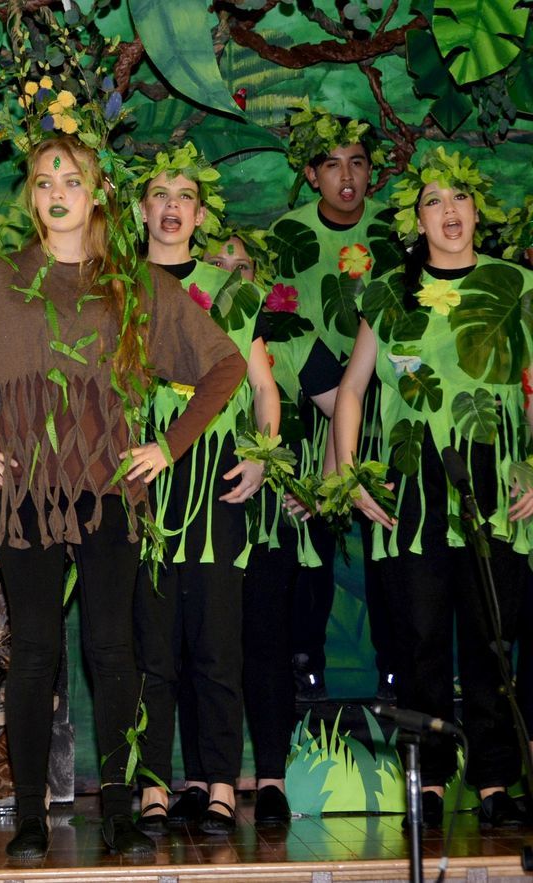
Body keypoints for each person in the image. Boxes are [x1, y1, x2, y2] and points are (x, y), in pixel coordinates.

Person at [0, 132, 245, 860]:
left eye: (72, 179)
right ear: (32, 196)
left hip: (110, 496)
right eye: (43, 180)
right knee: (35, 654)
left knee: (113, 652)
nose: (57, 192)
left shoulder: (132, 283)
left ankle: (119, 812)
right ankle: (30, 815)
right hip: (27, 498)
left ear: (96, 194)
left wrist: (167, 445)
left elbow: (224, 365)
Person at [331, 146, 533, 830]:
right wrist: (353, 470)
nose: (450, 211)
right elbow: (353, 390)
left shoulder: (517, 284)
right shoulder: (388, 292)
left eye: (460, 198)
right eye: (434, 201)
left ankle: (498, 778)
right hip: (412, 489)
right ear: (415, 221)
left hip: (498, 486)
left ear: (479, 209)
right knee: (417, 638)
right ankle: (429, 778)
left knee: (492, 639)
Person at [128, 145, 280, 837]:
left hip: (218, 477)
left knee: (217, 644)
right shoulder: (118, 286)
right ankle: (154, 786)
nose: (170, 205)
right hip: (142, 480)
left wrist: (260, 457)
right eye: (158, 193)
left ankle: (220, 782)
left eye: (183, 195)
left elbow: (264, 390)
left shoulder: (232, 292)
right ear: (141, 211)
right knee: (153, 648)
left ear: (198, 213)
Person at [270, 101, 401, 702]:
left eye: (358, 164)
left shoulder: (397, 231)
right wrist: (333, 434)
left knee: (393, 543)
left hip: (393, 409)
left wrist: (363, 412)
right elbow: (286, 328)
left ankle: (399, 673)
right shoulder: (287, 235)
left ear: (372, 172)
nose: (346, 177)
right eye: (332, 165)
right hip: (312, 404)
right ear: (312, 175)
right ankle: (306, 669)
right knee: (310, 540)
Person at [206, 229, 302, 826]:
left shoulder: (286, 334)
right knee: (203, 648)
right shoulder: (178, 320)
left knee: (266, 648)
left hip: (268, 517)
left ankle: (270, 779)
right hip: (202, 506)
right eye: (219, 263)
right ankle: (199, 779)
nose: (232, 273)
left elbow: (342, 397)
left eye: (242, 265)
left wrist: (321, 486)